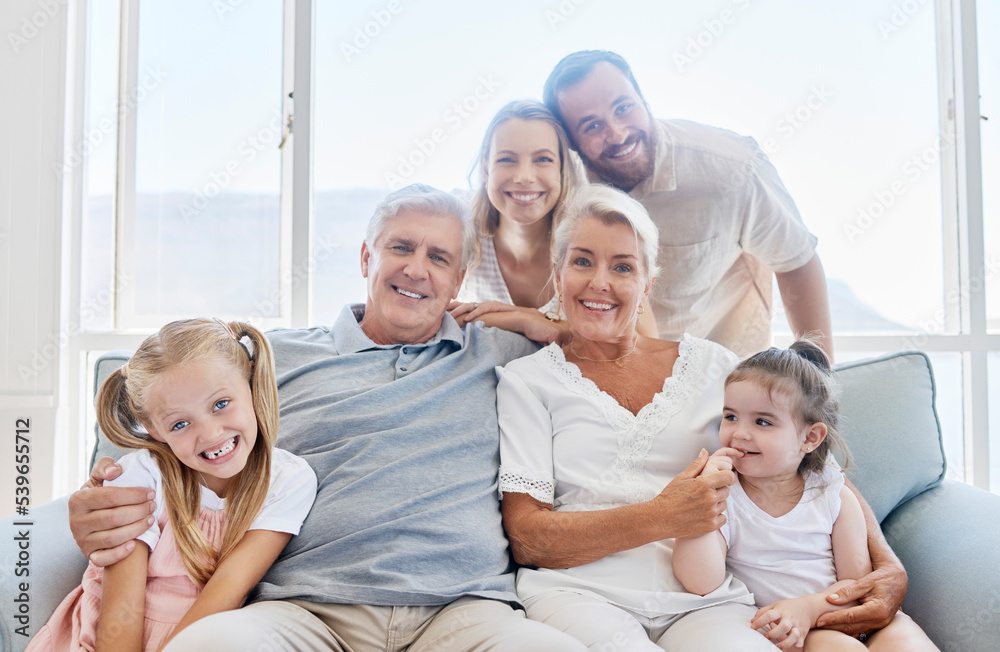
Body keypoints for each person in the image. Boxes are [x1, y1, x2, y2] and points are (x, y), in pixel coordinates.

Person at [66, 185, 588, 652]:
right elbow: (175, 408)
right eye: (401, 248)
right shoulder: (274, 357)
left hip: (464, 610)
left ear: (459, 280)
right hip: (306, 608)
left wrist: (542, 320)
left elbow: (620, 345)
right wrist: (102, 498)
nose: (416, 268)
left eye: (439, 257)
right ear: (366, 257)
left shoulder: (504, 352)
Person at [496, 184, 906, 649]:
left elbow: (814, 467)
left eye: (623, 267)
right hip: (580, 593)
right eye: (582, 261)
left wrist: (890, 567)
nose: (599, 282)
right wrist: (660, 517)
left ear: (649, 284)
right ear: (558, 272)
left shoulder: (713, 366)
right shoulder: (527, 381)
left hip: (709, 598)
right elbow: (529, 537)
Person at [27, 318, 317, 652]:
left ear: (250, 382)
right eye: (180, 424)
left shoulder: (288, 481)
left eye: (221, 404)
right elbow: (121, 611)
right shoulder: (141, 476)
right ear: (154, 430)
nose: (210, 434)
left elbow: (230, 586)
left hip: (199, 638)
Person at [543, 50, 832, 359]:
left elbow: (796, 262)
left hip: (727, 380)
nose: (617, 133)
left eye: (624, 108)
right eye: (592, 126)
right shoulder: (561, 187)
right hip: (613, 375)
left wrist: (818, 374)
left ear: (644, 100)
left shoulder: (733, 169)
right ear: (571, 141)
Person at [673, 342, 938, 651]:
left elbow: (856, 585)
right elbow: (700, 582)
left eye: (762, 422)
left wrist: (809, 607)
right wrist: (704, 495)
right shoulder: (727, 498)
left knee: (910, 643)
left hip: (845, 614)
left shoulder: (832, 496)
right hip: (804, 633)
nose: (740, 433)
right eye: (731, 417)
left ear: (810, 438)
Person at [449, 99, 657, 342]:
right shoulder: (459, 230)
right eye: (506, 159)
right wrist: (523, 320)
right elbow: (424, 315)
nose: (524, 177)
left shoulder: (586, 238)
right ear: (486, 170)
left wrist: (536, 321)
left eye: (543, 159)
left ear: (561, 169)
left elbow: (647, 342)